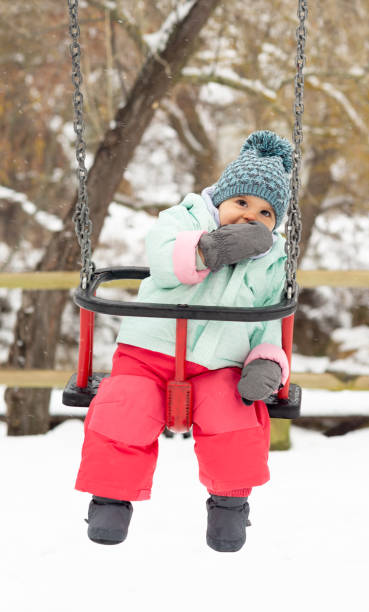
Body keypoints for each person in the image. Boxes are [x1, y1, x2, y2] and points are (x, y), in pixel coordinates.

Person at [75, 130, 293, 552]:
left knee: (235, 415)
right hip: (148, 352)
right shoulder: (186, 218)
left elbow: (270, 319)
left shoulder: (273, 262)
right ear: (220, 200)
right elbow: (163, 256)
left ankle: (230, 505)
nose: (250, 217)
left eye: (265, 213)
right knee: (125, 407)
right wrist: (212, 248)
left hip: (221, 364)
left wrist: (266, 362)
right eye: (242, 203)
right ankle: (110, 499)